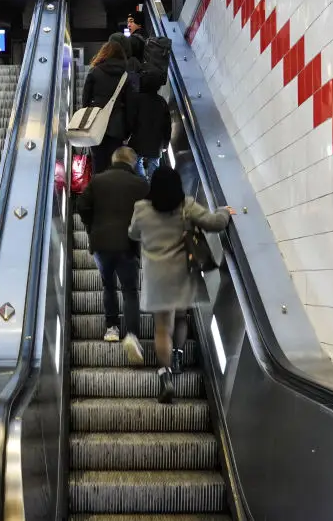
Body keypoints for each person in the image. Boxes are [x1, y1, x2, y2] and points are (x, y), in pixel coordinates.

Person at [128, 167, 235, 403]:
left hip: (157, 277)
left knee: (161, 329)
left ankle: (165, 376)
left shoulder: (141, 209)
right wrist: (224, 212)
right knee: (181, 318)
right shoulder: (186, 205)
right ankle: (178, 356)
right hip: (182, 274)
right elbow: (214, 222)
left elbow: (133, 233)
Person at [76, 146, 149, 362]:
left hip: (101, 243)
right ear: (133, 162)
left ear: (113, 159)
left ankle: (111, 328)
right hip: (128, 243)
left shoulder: (98, 181)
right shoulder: (141, 185)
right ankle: (133, 336)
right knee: (130, 290)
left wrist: (92, 227)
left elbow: (82, 205)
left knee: (108, 285)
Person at [82, 40, 137, 174]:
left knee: (98, 162)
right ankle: (113, 191)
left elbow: (85, 100)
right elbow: (131, 106)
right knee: (115, 163)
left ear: (104, 53)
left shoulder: (94, 72)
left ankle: (98, 190)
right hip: (117, 127)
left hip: (95, 125)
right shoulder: (126, 76)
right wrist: (128, 130)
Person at [128, 74, 171, 179]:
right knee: (154, 165)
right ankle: (153, 188)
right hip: (157, 141)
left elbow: (131, 118)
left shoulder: (137, 99)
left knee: (136, 161)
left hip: (139, 138)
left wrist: (128, 133)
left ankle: (142, 183)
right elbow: (167, 125)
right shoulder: (162, 101)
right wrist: (166, 143)